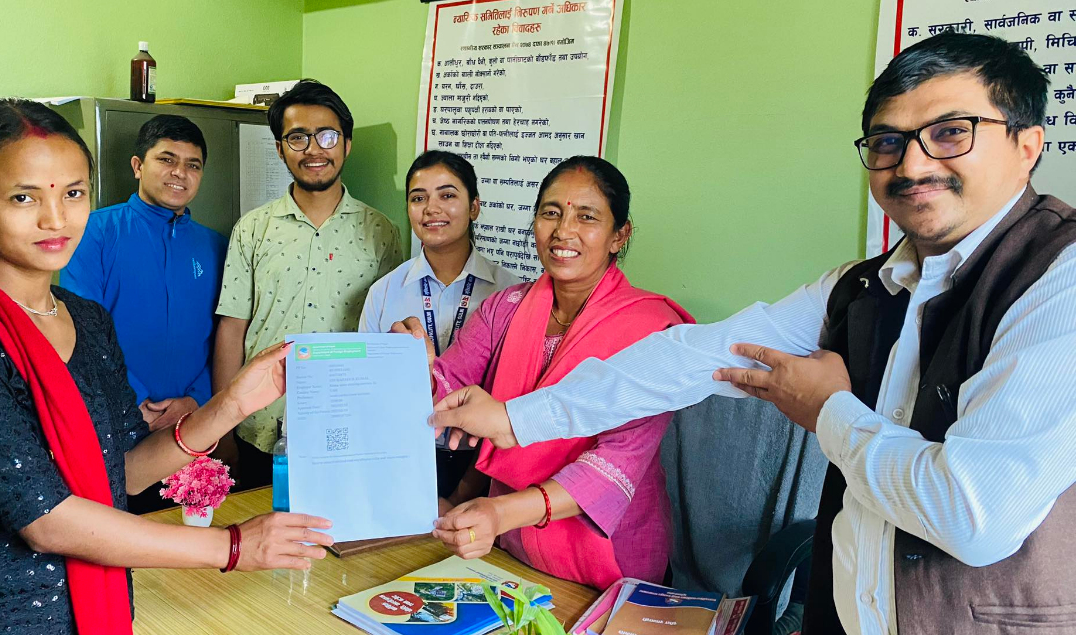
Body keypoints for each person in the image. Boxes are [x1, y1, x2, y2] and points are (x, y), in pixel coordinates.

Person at [428, 32, 1076, 634]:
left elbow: (973, 515)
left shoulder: (1058, 276)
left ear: (1027, 145)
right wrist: (512, 418)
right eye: (887, 141)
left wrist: (827, 411)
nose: (911, 163)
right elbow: (693, 357)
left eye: (950, 133)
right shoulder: (860, 287)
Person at [0, 98, 333, 635]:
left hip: (103, 612)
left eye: (73, 193)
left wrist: (232, 403)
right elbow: (48, 520)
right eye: (24, 197)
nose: (55, 219)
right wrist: (233, 546)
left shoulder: (88, 321)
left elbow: (123, 472)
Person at [396, 156, 694, 590]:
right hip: (510, 550)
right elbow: (448, 387)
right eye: (551, 213)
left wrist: (498, 512)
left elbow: (614, 465)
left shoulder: (651, 330)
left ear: (619, 235)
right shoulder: (504, 309)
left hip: (609, 561)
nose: (563, 231)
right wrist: (416, 369)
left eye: (586, 217)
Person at [214, 79, 402, 489]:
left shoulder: (381, 232)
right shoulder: (252, 229)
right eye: (298, 137)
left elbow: (387, 339)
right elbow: (232, 328)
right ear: (280, 148)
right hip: (259, 425)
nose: (314, 149)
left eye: (327, 136)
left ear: (347, 144)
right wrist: (221, 429)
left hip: (347, 426)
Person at [60, 115, 227, 512]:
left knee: (193, 536)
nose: (179, 173)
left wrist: (197, 400)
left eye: (193, 165)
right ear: (138, 165)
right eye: (167, 159)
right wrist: (132, 402)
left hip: (194, 423)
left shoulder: (216, 245)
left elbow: (225, 333)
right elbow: (78, 329)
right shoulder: (93, 232)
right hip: (114, 422)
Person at [359, 150, 520, 498]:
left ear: (474, 207)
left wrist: (466, 490)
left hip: (487, 465)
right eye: (418, 198)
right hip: (401, 459)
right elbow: (366, 393)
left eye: (447, 195)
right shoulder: (384, 293)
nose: (431, 208)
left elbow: (517, 396)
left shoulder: (510, 294)